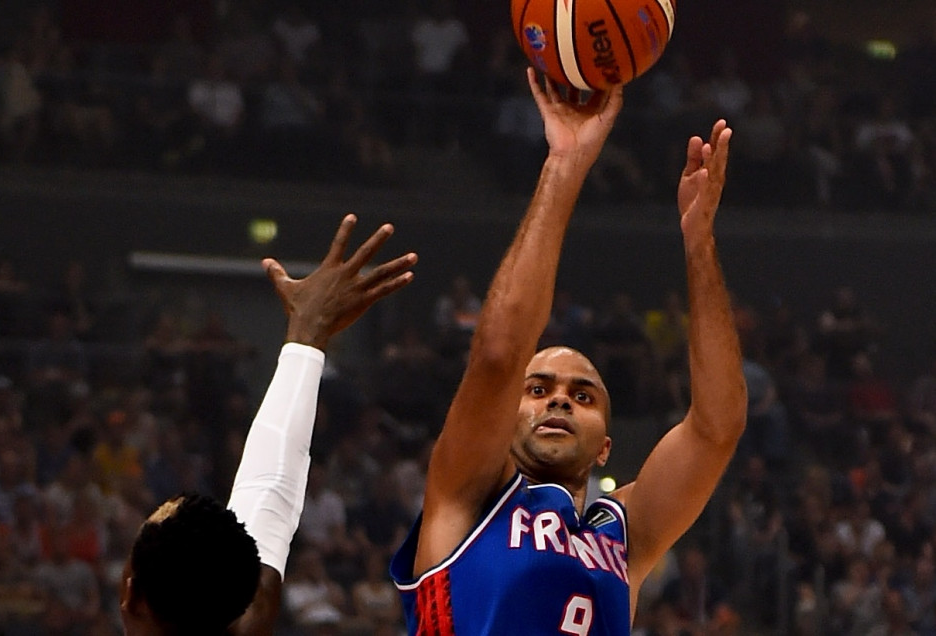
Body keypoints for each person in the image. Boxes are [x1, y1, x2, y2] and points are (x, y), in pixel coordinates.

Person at [389, 67, 746, 633]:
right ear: (507, 416)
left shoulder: (622, 532)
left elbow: (717, 427)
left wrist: (699, 241)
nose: (558, 400)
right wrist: (565, 163)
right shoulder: (469, 494)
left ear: (606, 446)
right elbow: (499, 355)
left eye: (582, 395)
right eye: (539, 390)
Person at [117, 215, 417, 635]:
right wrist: (307, 336)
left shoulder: (253, 614)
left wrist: (306, 338)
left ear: (131, 596)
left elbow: (268, 503)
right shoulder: (250, 618)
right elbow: (268, 496)